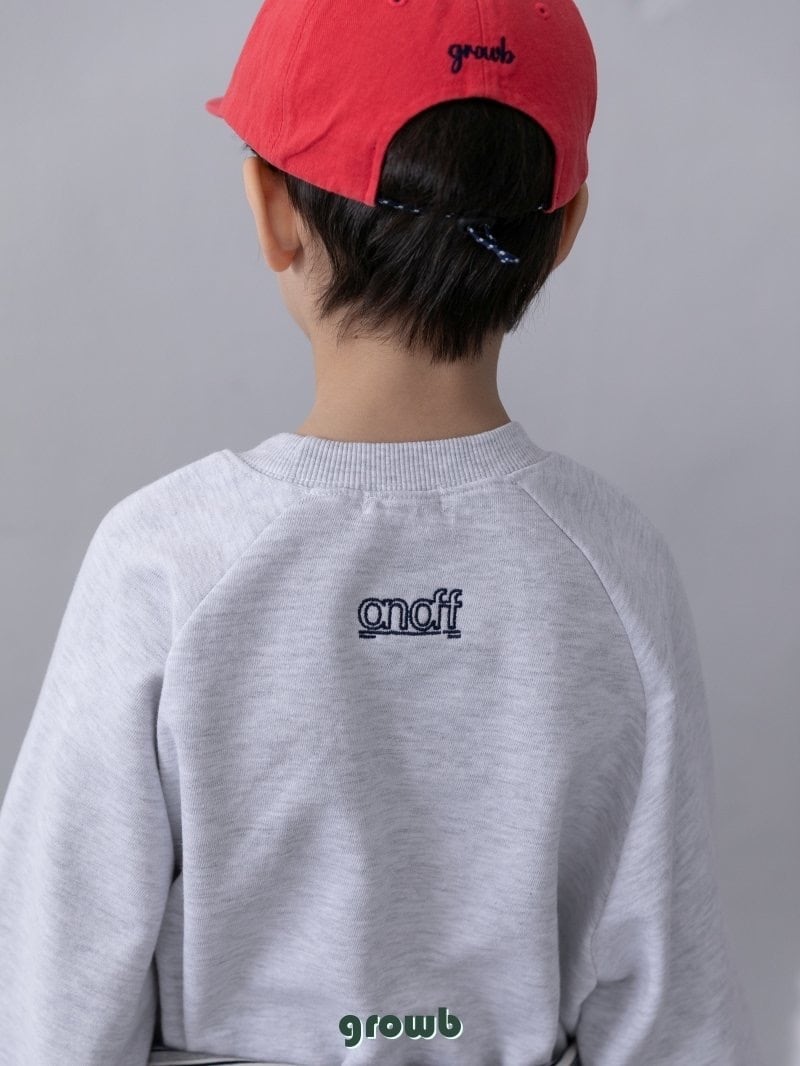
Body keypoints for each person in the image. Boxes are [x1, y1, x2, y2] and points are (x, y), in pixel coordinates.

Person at [0, 0, 763, 1064]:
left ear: (270, 208)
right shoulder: (617, 570)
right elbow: (671, 1015)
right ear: (562, 233)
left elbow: (57, 986)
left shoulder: (163, 562)